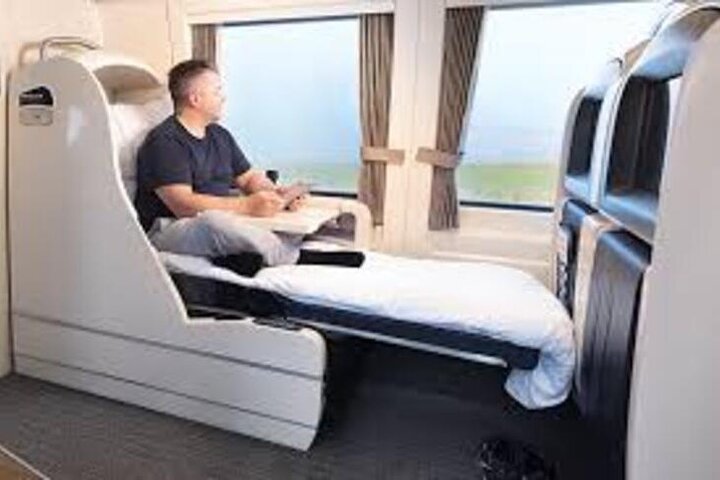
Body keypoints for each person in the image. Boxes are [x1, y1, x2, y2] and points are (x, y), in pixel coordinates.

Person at [134, 59, 363, 273]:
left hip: (224, 217)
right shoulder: (165, 141)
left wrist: (275, 195)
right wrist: (247, 206)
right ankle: (295, 257)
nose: (223, 97)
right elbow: (182, 205)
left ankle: (238, 257)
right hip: (172, 227)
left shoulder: (220, 136)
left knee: (267, 220)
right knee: (213, 223)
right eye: (217, 91)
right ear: (195, 99)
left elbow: (248, 178)